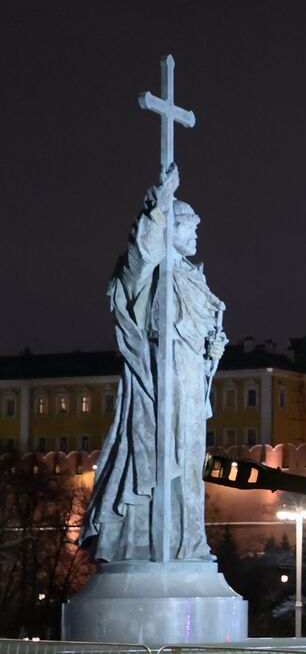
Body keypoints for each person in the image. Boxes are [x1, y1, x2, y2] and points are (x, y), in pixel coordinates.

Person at [79, 165, 227, 563]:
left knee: (190, 465)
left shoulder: (195, 279)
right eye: (189, 226)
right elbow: (139, 258)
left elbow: (198, 333)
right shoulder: (149, 271)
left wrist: (213, 349)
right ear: (170, 229)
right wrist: (159, 206)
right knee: (160, 460)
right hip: (160, 384)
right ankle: (147, 543)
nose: (196, 233)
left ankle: (187, 544)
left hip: (191, 383)